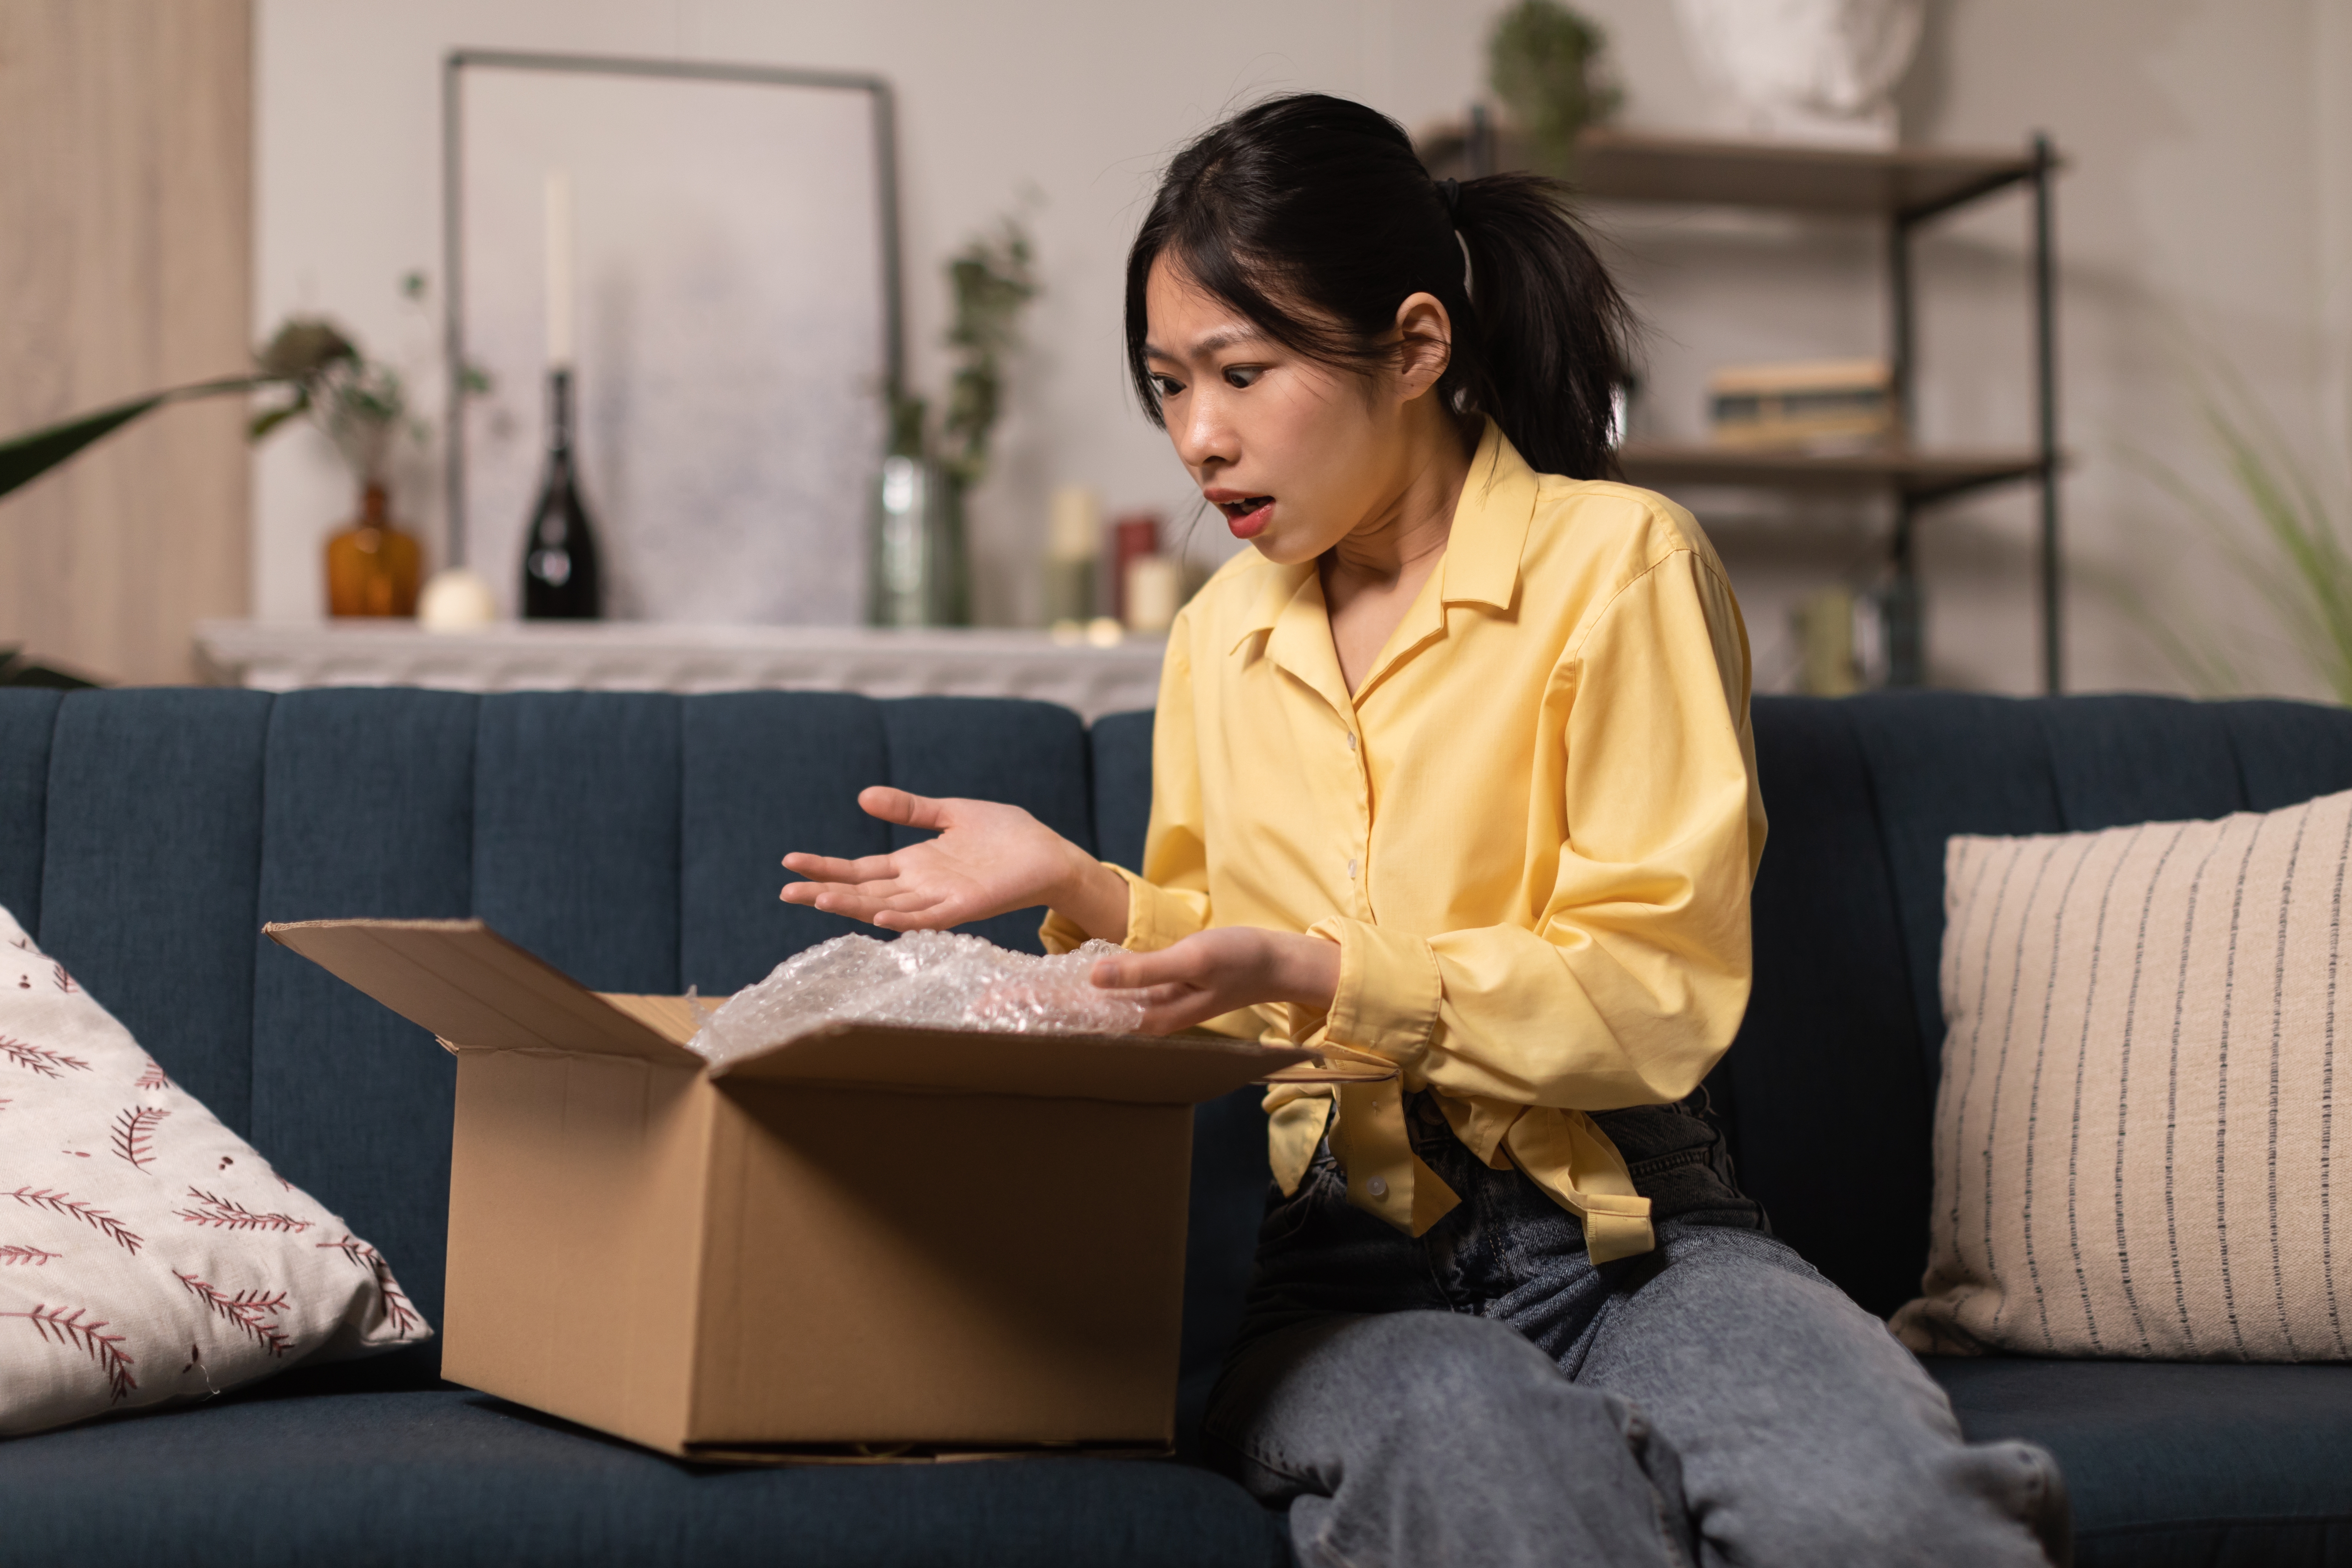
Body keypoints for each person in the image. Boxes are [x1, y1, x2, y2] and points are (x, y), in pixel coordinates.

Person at [780, 93, 2068, 1568]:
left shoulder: (1618, 566)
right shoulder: (1219, 637)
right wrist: (1088, 892)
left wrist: (1331, 972)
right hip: (1324, 1272)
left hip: (1623, 1230)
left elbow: (1653, 993)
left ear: (1411, 346)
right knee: (1497, 1468)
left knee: (1882, 1509)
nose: (1196, 438)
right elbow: (1228, 985)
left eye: (1240, 373)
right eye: (1164, 385)